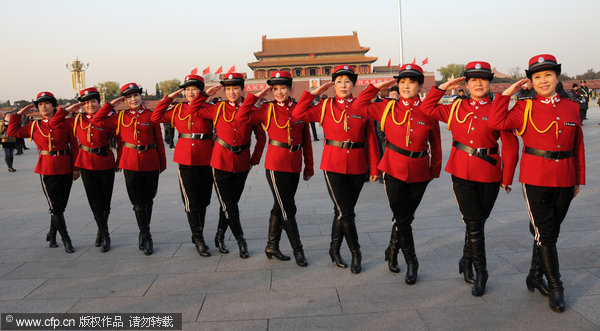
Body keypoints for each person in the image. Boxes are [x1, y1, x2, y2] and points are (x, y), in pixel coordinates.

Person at [489, 54, 585, 313]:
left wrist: (578, 178)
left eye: (548, 75)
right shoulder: (524, 108)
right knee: (547, 233)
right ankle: (556, 286)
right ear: (530, 81)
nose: (543, 80)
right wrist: (507, 93)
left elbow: (577, 146)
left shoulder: (571, 107)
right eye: (537, 76)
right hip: (535, 177)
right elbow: (495, 122)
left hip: (565, 176)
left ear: (557, 77)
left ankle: (533, 275)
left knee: (547, 231)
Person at [420, 61, 519, 296]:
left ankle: (466, 260)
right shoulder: (456, 108)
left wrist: (507, 177)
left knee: (478, 222)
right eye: (473, 79)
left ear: (489, 83)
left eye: (483, 79)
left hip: (489, 172)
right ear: (466, 83)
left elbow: (511, 146)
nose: (478, 83)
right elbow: (426, 108)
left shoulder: (498, 109)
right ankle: (481, 272)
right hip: (462, 171)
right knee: (474, 224)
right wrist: (442, 86)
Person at [352, 64, 442, 284]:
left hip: (420, 171)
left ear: (420, 86)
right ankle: (412, 262)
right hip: (393, 169)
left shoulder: (428, 110)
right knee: (403, 219)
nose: (406, 86)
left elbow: (436, 144)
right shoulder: (387, 108)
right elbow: (357, 106)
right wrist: (376, 87)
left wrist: (434, 170)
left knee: (405, 217)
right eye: (402, 82)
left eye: (411, 82)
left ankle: (392, 250)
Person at [292, 65, 381, 274]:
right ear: (333, 85)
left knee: (341, 211)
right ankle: (356, 252)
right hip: (333, 165)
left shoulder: (361, 106)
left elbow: (371, 138)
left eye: (347, 81)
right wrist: (314, 93)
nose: (343, 85)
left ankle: (333, 248)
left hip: (358, 164)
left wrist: (375, 166)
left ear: (354, 84)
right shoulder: (325, 106)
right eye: (339, 81)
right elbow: (297, 114)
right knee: (346, 211)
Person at [236, 71, 314, 266]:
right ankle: (298, 250)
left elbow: (306, 140)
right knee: (288, 208)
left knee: (280, 206)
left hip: (294, 163)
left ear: (291, 89)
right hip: (275, 165)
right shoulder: (266, 109)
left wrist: (309, 166)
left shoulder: (298, 109)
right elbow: (240, 117)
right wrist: (257, 97)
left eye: (283, 88)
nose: (279, 92)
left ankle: (272, 245)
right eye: (275, 89)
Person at [187, 73, 266, 259]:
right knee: (229, 204)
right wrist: (206, 94)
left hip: (242, 162)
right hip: (220, 160)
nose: (231, 92)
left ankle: (220, 235)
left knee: (231, 203)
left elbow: (261, 137)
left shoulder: (250, 110)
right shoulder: (218, 108)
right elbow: (192, 109)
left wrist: (254, 159)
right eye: (228, 89)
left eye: (235, 88)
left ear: (242, 89)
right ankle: (240, 240)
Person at [92, 83, 166, 255]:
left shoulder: (151, 115)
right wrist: (111, 105)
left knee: (148, 200)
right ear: (124, 100)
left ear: (141, 97)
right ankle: (147, 236)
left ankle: (143, 231)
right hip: (130, 162)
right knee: (138, 202)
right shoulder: (119, 117)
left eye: (136, 96)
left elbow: (160, 141)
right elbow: (97, 120)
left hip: (150, 161)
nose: (134, 99)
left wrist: (162, 163)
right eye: (129, 97)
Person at [151, 74, 215, 257]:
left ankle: (198, 233)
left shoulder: (210, 108)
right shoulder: (178, 109)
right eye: (187, 89)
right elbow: (156, 117)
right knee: (191, 200)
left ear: (201, 91)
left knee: (204, 199)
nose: (190, 92)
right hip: (186, 158)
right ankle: (199, 237)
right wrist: (169, 97)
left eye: (194, 89)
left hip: (207, 156)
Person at [8, 92, 80, 253]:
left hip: (65, 166)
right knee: (55, 206)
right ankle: (66, 238)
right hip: (46, 168)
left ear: (54, 106)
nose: (43, 106)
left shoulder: (66, 123)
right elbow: (12, 132)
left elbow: (74, 146)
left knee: (60, 205)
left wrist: (76, 167)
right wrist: (18, 115)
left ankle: (52, 233)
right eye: (40, 104)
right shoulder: (34, 126)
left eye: (47, 103)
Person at [51, 87, 121, 253]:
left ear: (99, 102)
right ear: (82, 105)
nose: (90, 105)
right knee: (94, 201)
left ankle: (100, 230)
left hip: (106, 162)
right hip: (87, 163)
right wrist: (70, 109)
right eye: (86, 102)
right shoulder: (76, 120)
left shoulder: (109, 118)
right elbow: (54, 122)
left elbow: (120, 139)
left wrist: (120, 159)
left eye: (93, 101)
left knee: (106, 202)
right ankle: (105, 234)